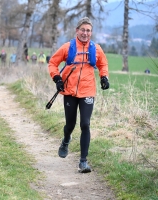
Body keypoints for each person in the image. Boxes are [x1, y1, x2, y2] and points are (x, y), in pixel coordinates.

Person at [48, 17, 109, 173]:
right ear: (77, 31)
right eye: (83, 30)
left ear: (91, 32)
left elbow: (103, 64)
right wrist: (56, 78)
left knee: (85, 124)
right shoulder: (68, 47)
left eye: (88, 30)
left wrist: (104, 77)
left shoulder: (96, 49)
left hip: (87, 91)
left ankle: (83, 162)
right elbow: (52, 63)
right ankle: (66, 140)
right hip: (69, 91)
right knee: (70, 124)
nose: (85, 33)